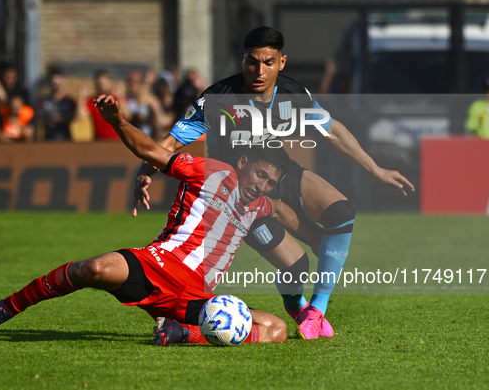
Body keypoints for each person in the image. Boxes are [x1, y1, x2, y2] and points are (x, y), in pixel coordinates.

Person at [133, 26, 415, 340]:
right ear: (242, 59)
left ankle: (316, 311)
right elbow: (171, 142)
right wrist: (146, 172)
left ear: (281, 62)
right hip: (240, 192)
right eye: (252, 62)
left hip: (280, 173)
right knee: (296, 266)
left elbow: (333, 132)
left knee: (341, 212)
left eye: (268, 62)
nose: (259, 71)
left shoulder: (293, 93)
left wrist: (377, 170)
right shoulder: (216, 98)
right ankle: (289, 309)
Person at [0, 94, 312, 345]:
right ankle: (3, 310)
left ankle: (179, 333)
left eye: (270, 182)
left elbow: (286, 214)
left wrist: (326, 236)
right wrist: (117, 121)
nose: (262, 185)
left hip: (198, 298)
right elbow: (151, 151)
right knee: (94, 269)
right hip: (157, 265)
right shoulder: (212, 171)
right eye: (260, 175)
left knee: (276, 330)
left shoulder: (261, 203)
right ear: (243, 162)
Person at [76, 70, 122, 140]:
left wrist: (120, 96)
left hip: (116, 140)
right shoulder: (93, 101)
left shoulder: (116, 98)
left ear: (110, 83)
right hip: (99, 140)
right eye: (100, 84)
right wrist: (82, 97)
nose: (102, 87)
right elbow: (80, 115)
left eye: (104, 84)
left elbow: (128, 115)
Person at [36, 70, 76, 141]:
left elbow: (74, 117)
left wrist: (59, 119)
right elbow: (39, 119)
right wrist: (48, 120)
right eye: (54, 83)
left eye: (58, 83)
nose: (56, 85)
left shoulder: (69, 101)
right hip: (48, 139)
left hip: (65, 139)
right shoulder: (43, 100)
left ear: (63, 82)